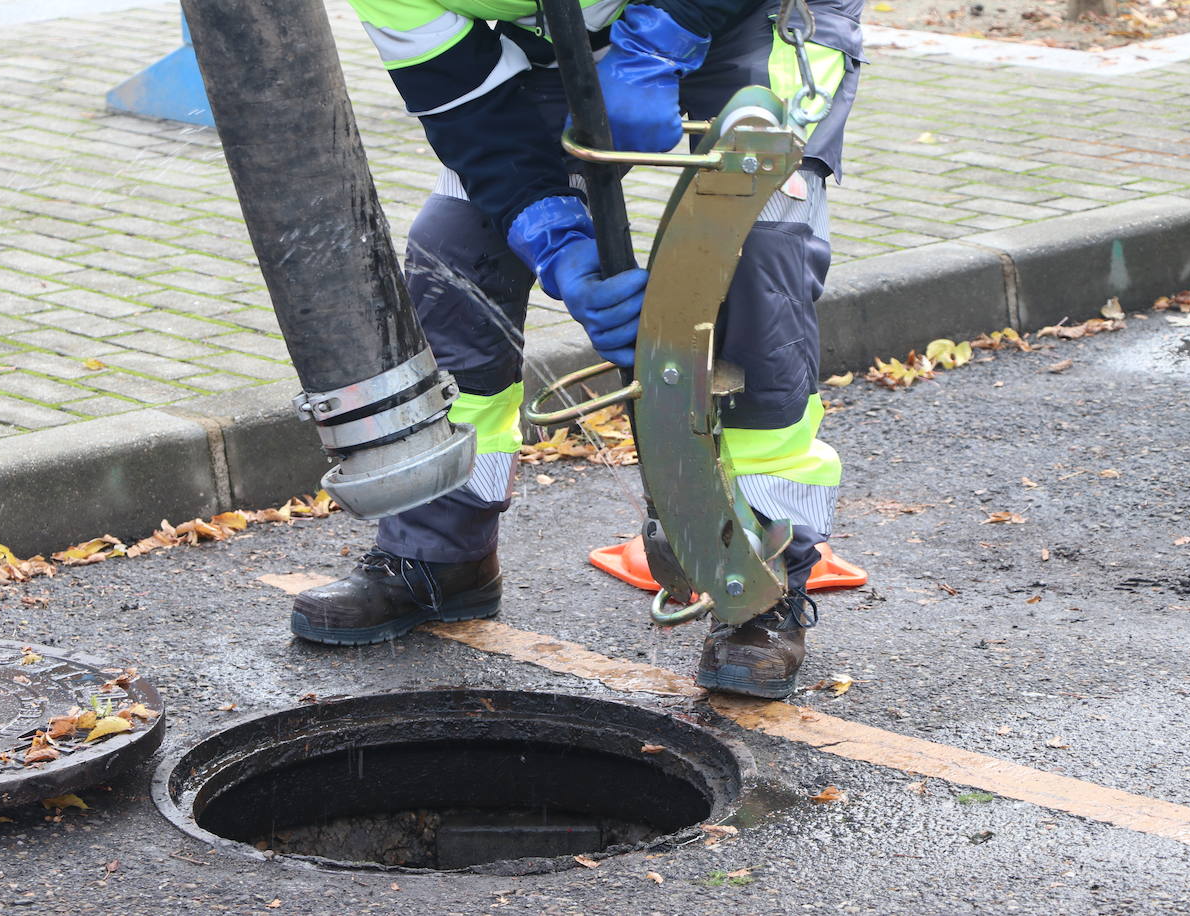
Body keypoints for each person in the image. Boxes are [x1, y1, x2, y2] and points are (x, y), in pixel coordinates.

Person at [292, 0, 864, 699]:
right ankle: (439, 556)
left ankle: (759, 589)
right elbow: (474, 117)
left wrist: (663, 38)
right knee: (458, 247)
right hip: (555, 40)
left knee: (757, 252)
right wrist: (558, 241)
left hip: (756, 17)